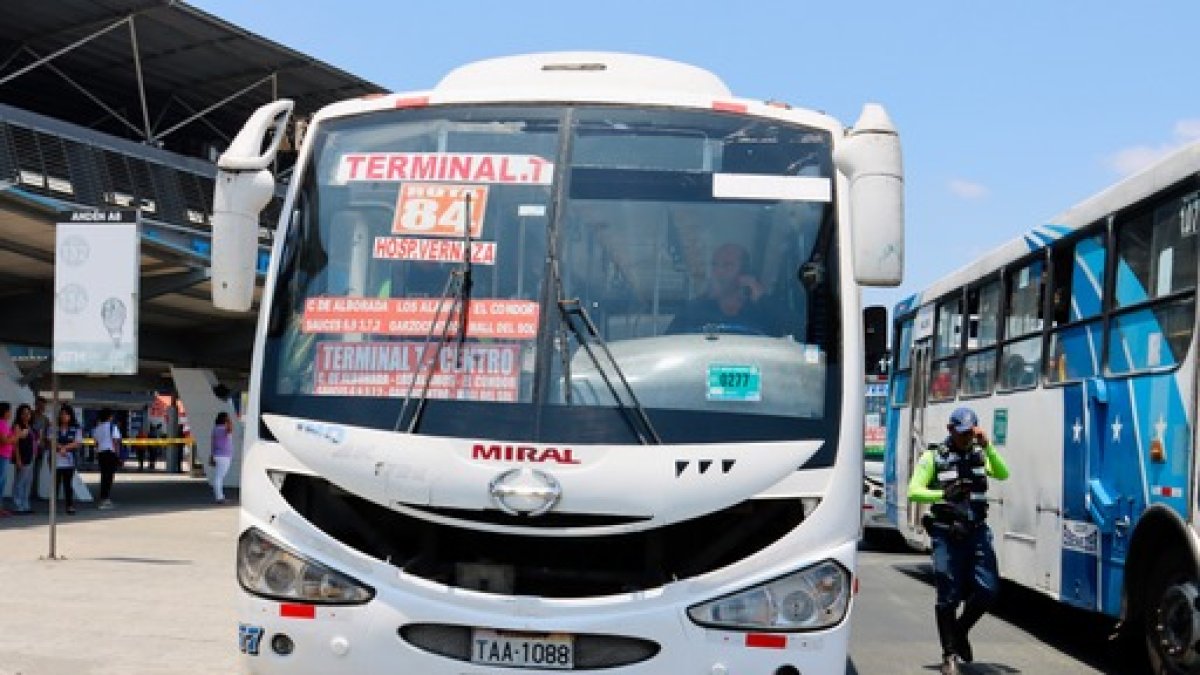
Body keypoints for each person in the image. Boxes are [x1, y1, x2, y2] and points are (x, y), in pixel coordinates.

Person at [908, 407, 1010, 674]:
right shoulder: (933, 457)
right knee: (947, 596)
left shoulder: (980, 454)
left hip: (976, 531)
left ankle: (960, 630)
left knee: (988, 590)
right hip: (946, 532)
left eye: (971, 433)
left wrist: (989, 447)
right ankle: (949, 655)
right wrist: (942, 494)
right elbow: (913, 491)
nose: (967, 438)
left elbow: (1003, 473)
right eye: (962, 433)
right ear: (950, 430)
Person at [667, 242, 782, 336]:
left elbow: (796, 336)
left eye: (727, 265)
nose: (719, 272)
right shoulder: (694, 311)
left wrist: (762, 298)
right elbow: (669, 345)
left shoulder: (763, 312)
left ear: (744, 272)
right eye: (715, 265)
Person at [53, 405, 83, 515]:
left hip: (69, 461)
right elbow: (50, 440)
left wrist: (65, 448)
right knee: (55, 484)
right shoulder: (55, 427)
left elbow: (77, 442)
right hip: (56, 460)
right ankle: (53, 506)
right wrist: (60, 447)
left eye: (66, 414)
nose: (63, 416)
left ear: (70, 416)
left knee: (68, 484)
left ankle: (69, 505)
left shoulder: (76, 428)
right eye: (62, 414)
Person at [93, 408, 122, 510]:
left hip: (101, 453)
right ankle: (105, 498)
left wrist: (97, 452)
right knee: (109, 476)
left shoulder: (97, 428)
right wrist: (118, 455)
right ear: (110, 417)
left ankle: (103, 497)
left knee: (103, 475)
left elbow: (95, 443)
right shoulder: (112, 427)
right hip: (110, 453)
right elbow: (115, 441)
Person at [10, 403, 35, 514]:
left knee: (27, 482)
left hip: (30, 456)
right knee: (19, 482)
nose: (26, 415)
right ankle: (17, 505)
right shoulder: (17, 426)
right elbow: (16, 444)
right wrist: (18, 459)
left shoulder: (30, 426)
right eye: (24, 413)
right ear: (19, 415)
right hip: (22, 456)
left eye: (28, 413)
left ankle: (25, 505)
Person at [209, 412, 235, 504]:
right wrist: (229, 421)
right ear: (225, 419)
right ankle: (219, 497)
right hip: (224, 456)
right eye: (227, 418)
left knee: (218, 477)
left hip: (217, 455)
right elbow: (230, 429)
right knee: (219, 477)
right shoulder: (224, 429)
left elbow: (212, 444)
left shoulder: (215, 429)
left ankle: (219, 496)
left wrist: (211, 455)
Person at [0, 402, 14, 517]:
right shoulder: (2, 424)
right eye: (9, 411)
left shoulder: (5, 424)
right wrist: (18, 435)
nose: (10, 413)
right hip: (2, 456)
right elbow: (5, 441)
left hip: (5, 456)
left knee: (2, 483)